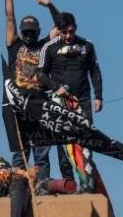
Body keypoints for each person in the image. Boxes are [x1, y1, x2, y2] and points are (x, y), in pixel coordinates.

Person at [0, 0, 61, 189]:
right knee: (20, 155)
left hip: (41, 104)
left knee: (42, 154)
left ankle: (42, 187)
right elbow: (9, 18)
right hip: (18, 106)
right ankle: (20, 190)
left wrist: (51, 6)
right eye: (24, 32)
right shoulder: (14, 45)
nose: (27, 35)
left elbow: (61, 27)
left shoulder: (45, 45)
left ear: (37, 31)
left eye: (30, 32)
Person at [38, 12, 103, 186]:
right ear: (58, 30)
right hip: (61, 101)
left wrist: (98, 96)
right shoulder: (49, 47)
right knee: (64, 142)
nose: (68, 36)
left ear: (76, 28)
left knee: (84, 138)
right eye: (64, 32)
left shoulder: (87, 45)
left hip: (83, 100)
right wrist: (55, 87)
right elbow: (40, 75)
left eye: (71, 31)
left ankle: (87, 179)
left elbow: (95, 71)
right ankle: (69, 180)